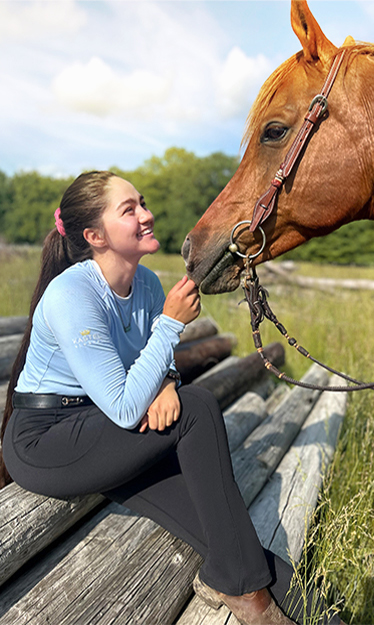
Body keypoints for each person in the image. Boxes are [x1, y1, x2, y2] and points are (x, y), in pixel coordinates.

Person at [0, 171, 333, 625]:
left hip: (104, 429)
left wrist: (168, 379)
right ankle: (249, 600)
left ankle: (324, 613)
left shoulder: (150, 285)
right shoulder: (72, 295)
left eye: (142, 202)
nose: (147, 214)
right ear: (95, 236)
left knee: (225, 537)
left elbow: (148, 367)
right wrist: (172, 326)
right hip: (47, 441)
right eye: (129, 209)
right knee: (196, 409)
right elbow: (123, 403)